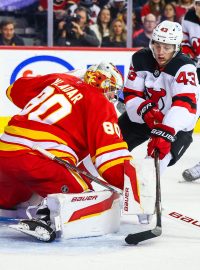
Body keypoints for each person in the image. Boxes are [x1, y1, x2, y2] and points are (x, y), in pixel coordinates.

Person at [118, 20, 200, 175]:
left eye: (167, 47)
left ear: (176, 48)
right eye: (157, 45)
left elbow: (185, 105)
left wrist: (166, 131)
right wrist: (143, 109)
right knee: (110, 143)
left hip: (176, 125)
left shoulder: (185, 67)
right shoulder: (140, 59)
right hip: (145, 117)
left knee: (156, 159)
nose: (160, 52)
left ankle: (143, 191)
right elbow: (131, 94)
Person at [182, 0, 200, 82]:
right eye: (198, 4)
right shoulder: (188, 17)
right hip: (195, 64)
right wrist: (189, 55)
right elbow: (184, 41)